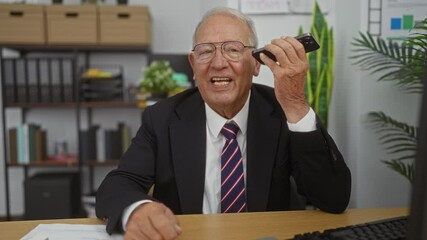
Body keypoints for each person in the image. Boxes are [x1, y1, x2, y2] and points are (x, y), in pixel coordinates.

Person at [96, 6, 351, 240]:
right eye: (206, 51)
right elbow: (116, 186)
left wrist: (295, 104)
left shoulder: (283, 110)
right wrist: (138, 210)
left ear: (256, 63)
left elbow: (334, 197)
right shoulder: (162, 117)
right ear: (193, 66)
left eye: (233, 49)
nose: (218, 64)